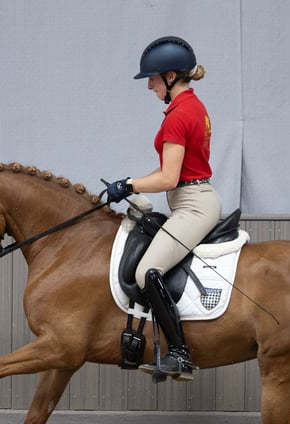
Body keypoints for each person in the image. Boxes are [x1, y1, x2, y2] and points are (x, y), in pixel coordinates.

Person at [105, 36, 222, 381]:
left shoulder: (178, 116)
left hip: (193, 205)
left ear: (171, 77)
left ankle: (181, 354)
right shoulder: (192, 107)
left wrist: (127, 185)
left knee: (147, 272)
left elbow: (169, 178)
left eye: (153, 79)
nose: (150, 86)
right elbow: (168, 174)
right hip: (193, 199)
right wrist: (131, 182)